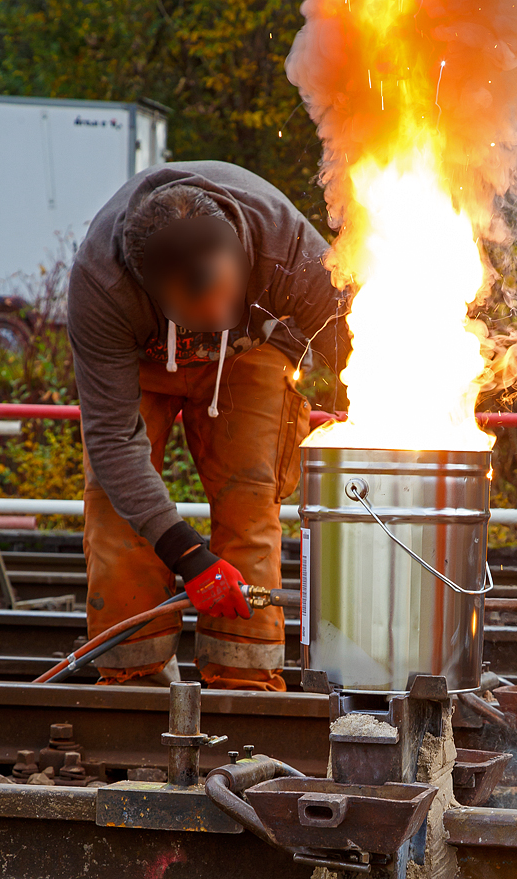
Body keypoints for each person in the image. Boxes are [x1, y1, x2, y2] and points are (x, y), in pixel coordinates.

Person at [68, 161, 349, 691]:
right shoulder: (101, 285)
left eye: (225, 294)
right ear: (150, 288)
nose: (219, 314)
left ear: (242, 257)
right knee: (117, 513)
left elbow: (363, 349)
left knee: (250, 502)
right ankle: (134, 679)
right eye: (199, 307)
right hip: (145, 362)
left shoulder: (290, 251)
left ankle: (244, 684)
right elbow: (113, 440)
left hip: (254, 352)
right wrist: (189, 556)